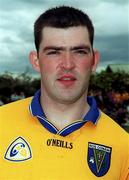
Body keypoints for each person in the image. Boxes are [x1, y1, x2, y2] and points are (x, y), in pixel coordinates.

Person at [0, 6, 128, 180]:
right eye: (54, 52)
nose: (67, 64)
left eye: (79, 52)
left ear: (94, 60)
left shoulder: (123, 146)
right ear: (36, 61)